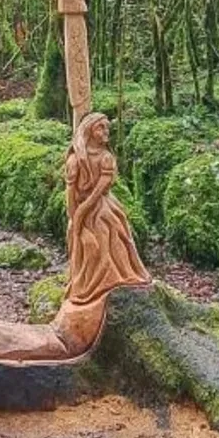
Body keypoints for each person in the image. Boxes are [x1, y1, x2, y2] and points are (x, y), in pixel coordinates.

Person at [64, 112, 149, 306]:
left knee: (111, 229)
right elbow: (70, 193)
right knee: (82, 241)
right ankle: (84, 283)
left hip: (101, 205)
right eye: (100, 127)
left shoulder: (106, 158)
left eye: (107, 127)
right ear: (89, 131)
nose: (105, 131)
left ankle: (117, 275)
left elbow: (100, 190)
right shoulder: (75, 161)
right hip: (80, 210)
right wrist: (74, 217)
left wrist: (83, 211)